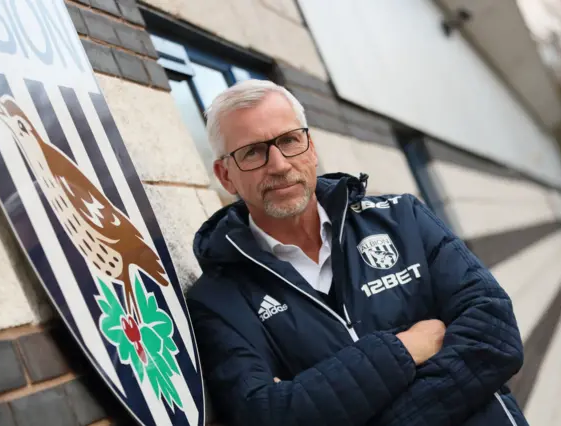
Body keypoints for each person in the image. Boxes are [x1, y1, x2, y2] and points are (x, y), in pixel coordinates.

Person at [186, 79, 528, 426]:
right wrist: (405, 349)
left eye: (289, 140)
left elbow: (495, 338)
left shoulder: (403, 218)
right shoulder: (217, 300)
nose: (278, 164)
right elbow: (265, 415)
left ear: (311, 148)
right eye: (253, 152)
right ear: (225, 176)